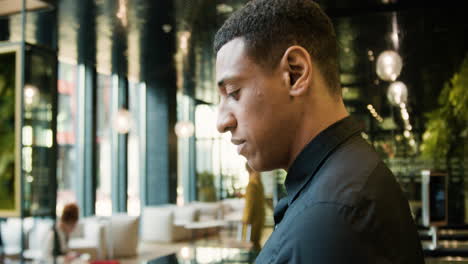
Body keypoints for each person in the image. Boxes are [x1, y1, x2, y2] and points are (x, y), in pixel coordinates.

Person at [213, 0, 424, 263]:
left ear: (295, 73)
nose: (221, 122)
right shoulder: (348, 178)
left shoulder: (331, 217)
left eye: (234, 93)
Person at [242, 163, 265, 251]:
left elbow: (249, 204)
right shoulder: (259, 183)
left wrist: (246, 219)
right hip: (259, 219)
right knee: (256, 243)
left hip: (252, 221)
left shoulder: (251, 184)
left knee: (250, 245)